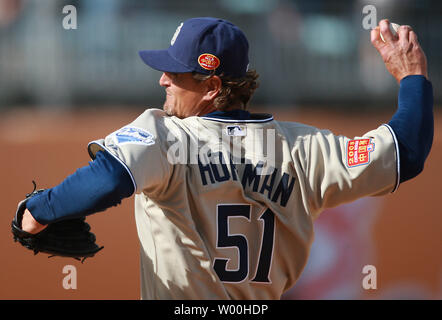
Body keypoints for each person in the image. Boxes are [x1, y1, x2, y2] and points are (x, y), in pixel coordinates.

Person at [18, 17, 433, 299]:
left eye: (176, 74)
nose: (163, 79)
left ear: (213, 85)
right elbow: (406, 151)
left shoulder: (166, 134)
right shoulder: (306, 149)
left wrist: (34, 211)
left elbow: (108, 179)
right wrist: (412, 74)